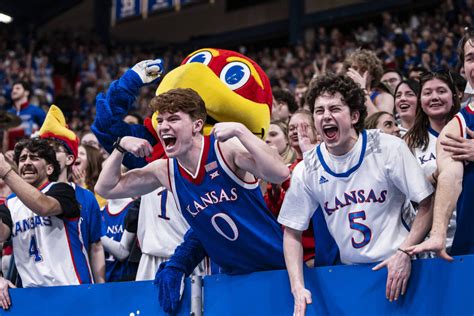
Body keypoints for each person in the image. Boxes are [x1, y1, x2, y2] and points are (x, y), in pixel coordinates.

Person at [95, 87, 289, 313]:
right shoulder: (165, 170)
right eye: (161, 120)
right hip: (230, 277)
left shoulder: (224, 150)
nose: (164, 126)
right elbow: (105, 188)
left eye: (174, 119)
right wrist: (119, 148)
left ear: (197, 125)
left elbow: (279, 173)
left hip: (276, 267)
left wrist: (240, 130)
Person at [278, 74, 433, 316]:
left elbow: (427, 202)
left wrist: (405, 251)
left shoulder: (388, 148)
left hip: (402, 268)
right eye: (319, 111)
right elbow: (292, 232)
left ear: (354, 116)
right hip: (352, 274)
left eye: (335, 108)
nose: (326, 116)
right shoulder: (307, 168)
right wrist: (297, 287)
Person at [0, 138, 92, 310]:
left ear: (49, 168)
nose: (27, 162)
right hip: (32, 297)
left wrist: (6, 172)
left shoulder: (63, 190)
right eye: (22, 159)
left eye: (34, 158)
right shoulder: (10, 203)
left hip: (71, 290)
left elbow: (43, 206)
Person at [407, 29, 474, 258]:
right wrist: (438, 234)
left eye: (441, 91)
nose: (434, 97)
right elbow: (450, 175)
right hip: (465, 243)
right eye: (470, 58)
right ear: (464, 69)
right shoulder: (458, 125)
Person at [38, 105, 105, 283]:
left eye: (55, 148)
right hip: (33, 292)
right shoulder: (21, 197)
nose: (47, 153)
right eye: (44, 148)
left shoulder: (86, 197)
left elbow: (96, 246)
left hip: (77, 286)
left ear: (69, 159)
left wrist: (100, 286)